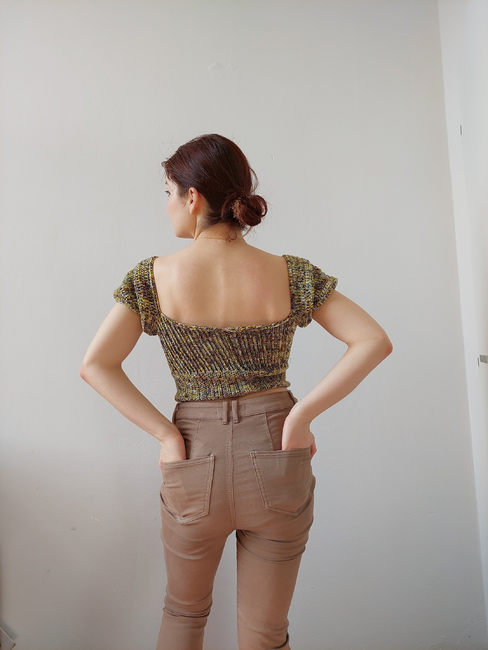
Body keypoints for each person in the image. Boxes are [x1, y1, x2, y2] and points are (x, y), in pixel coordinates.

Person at [80, 133, 393, 650]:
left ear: (193, 197)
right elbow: (373, 341)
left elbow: (96, 365)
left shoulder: (152, 277)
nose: (167, 204)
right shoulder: (290, 273)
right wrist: (301, 416)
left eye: (168, 192)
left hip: (192, 455)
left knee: (183, 613)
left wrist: (166, 435)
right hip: (276, 448)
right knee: (267, 632)